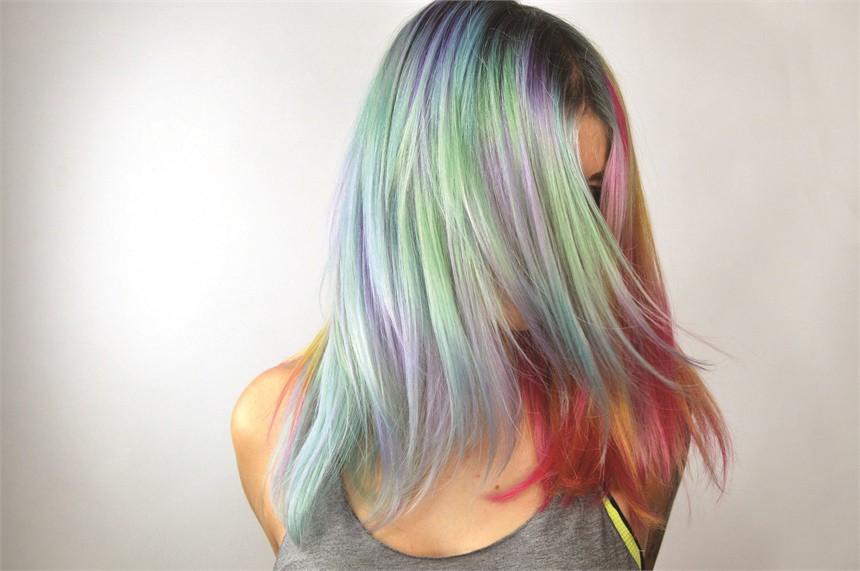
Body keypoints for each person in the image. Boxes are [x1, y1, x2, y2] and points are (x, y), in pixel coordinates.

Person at [232, 1, 733, 569]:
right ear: (415, 179)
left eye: (588, 195)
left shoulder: (634, 420)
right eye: (521, 199)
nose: (560, 250)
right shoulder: (274, 422)